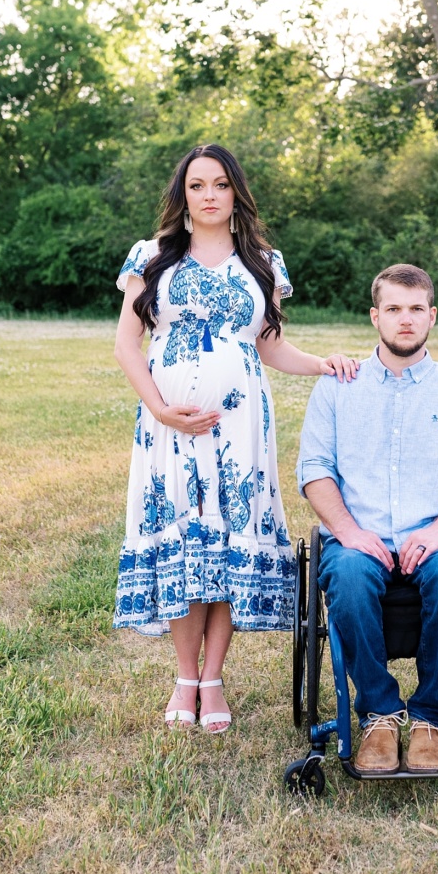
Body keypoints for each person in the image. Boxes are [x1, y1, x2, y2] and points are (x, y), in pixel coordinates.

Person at [113, 143, 358, 734]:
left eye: (220, 185)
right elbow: (128, 346)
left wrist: (322, 363)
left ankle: (215, 679)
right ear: (183, 194)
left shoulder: (264, 262)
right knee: (183, 537)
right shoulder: (151, 257)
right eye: (197, 186)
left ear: (235, 192)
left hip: (241, 427)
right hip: (167, 427)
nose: (209, 196)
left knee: (225, 544)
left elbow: (268, 345)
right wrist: (163, 411)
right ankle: (183, 678)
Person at [296, 263, 438, 774]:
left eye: (414, 310)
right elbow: (315, 469)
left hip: (437, 534)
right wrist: (348, 531)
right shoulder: (337, 388)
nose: (404, 320)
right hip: (357, 535)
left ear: (431, 316)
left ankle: (431, 717)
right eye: (393, 310)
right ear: (374, 317)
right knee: (348, 574)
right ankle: (379, 714)